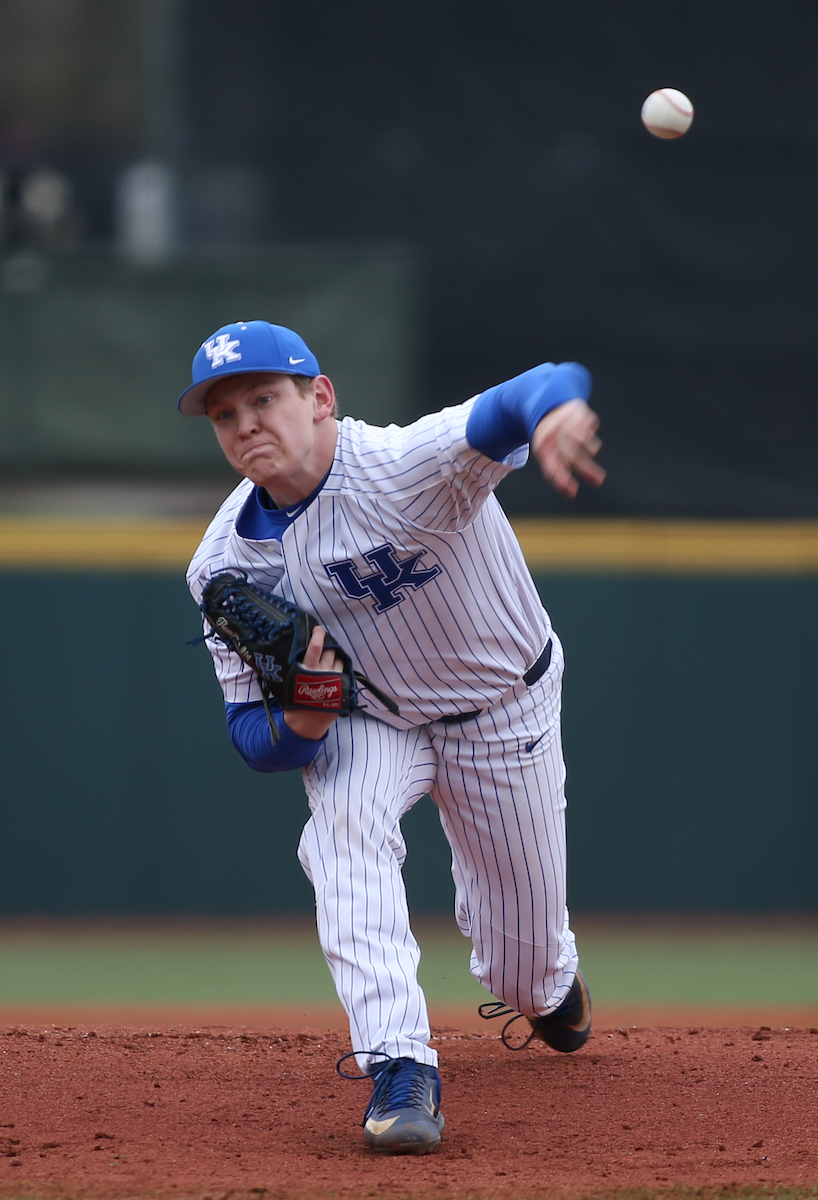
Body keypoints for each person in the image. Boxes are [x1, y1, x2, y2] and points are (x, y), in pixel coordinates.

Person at [180, 320, 605, 1156]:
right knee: (342, 836)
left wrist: (557, 412)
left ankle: (548, 987)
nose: (246, 425)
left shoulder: (407, 464)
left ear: (322, 398)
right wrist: (304, 715)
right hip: (371, 718)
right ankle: (399, 1067)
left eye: (264, 399)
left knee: (522, 969)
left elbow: (536, 384)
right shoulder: (224, 566)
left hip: (500, 708)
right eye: (225, 415)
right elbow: (251, 736)